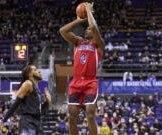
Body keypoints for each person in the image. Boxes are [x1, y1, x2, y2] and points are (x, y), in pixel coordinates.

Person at [60, 3, 104, 135]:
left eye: (89, 29)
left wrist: (89, 12)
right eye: (87, 28)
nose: (87, 30)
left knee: (90, 115)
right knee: (72, 116)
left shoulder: (99, 44)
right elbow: (62, 31)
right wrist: (78, 20)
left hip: (90, 82)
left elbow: (95, 28)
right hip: (76, 82)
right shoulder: (78, 42)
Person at [0, 65, 51, 135]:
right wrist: (3, 122)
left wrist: (47, 102)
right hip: (28, 122)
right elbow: (15, 104)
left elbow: (40, 112)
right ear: (29, 74)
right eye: (35, 70)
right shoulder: (28, 83)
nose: (39, 71)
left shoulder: (37, 90)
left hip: (37, 122)